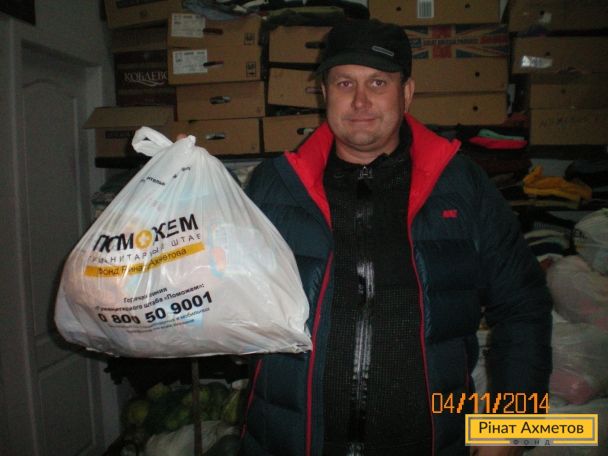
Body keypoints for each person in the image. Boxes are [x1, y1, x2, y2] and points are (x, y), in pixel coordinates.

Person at [238, 19, 552, 456]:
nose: (360, 100)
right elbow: (213, 292)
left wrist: (514, 424)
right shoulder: (274, 185)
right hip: (289, 442)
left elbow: (523, 305)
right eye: (345, 83)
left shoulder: (461, 185)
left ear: (406, 93)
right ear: (324, 93)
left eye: (378, 82)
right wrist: (184, 194)